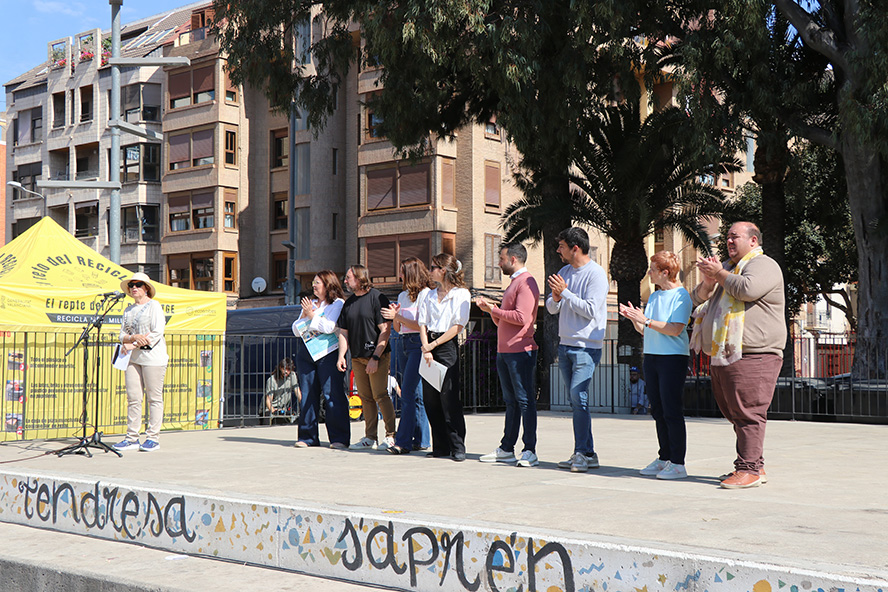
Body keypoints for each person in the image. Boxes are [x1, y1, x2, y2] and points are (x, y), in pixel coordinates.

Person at [691, 222, 786, 489]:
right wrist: (709, 281)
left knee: (748, 412)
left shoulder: (763, 265)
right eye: (728, 237)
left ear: (753, 240)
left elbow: (747, 290)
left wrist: (720, 273)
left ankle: (748, 470)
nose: (729, 241)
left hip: (755, 353)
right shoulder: (727, 269)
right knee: (735, 412)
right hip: (725, 353)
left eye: (735, 237)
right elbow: (697, 300)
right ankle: (755, 464)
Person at [620, 251, 693, 480]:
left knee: (672, 410)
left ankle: (678, 463)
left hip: (672, 358)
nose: (649, 273)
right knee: (658, 410)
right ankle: (664, 457)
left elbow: (675, 329)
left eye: (652, 270)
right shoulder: (654, 296)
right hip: (651, 356)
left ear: (665, 272)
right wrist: (635, 319)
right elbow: (646, 329)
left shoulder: (681, 296)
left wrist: (646, 320)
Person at [546, 227, 609, 473]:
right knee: (576, 401)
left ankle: (581, 452)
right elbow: (552, 308)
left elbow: (591, 310)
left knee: (578, 397)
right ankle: (588, 453)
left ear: (575, 248)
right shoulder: (564, 272)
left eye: (561, 246)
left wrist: (565, 293)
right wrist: (556, 298)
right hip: (565, 345)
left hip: (587, 347)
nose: (557, 250)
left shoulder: (596, 274)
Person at [476, 242, 541, 468]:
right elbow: (505, 321)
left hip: (520, 351)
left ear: (513, 259)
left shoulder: (527, 282)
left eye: (502, 259)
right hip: (506, 351)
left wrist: (494, 310)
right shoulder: (515, 283)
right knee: (511, 401)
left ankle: (530, 450)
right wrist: (491, 311)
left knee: (525, 401)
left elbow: (522, 318)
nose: (499, 263)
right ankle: (506, 448)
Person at [418, 253, 471, 461]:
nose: (430, 271)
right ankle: (440, 446)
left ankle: (457, 446)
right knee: (430, 399)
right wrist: (426, 348)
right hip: (428, 346)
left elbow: (458, 325)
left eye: (433, 267)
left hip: (446, 346)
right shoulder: (428, 295)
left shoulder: (461, 294)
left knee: (449, 397)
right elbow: (422, 323)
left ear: (443, 270)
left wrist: (433, 345)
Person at [337, 265, 394, 450]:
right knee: (365, 397)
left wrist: (375, 357)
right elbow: (343, 332)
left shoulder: (377, 298)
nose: (345, 281)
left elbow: (385, 331)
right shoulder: (349, 303)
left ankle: (391, 436)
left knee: (380, 395)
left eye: (348, 277)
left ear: (360, 278)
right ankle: (370, 438)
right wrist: (341, 356)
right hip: (357, 357)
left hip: (377, 356)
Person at [381, 257, 434, 455]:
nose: (400, 275)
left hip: (418, 344)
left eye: (402, 271)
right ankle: (422, 439)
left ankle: (403, 441)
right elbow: (398, 327)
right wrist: (395, 317)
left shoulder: (426, 294)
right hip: (403, 342)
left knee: (408, 392)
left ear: (411, 273)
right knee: (416, 393)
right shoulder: (402, 296)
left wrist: (398, 317)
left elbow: (422, 325)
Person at [293, 270, 350, 449]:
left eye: (317, 282)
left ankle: (339, 438)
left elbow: (330, 327)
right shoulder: (310, 304)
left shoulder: (337, 304)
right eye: (313, 282)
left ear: (328, 284)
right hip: (307, 353)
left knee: (332, 394)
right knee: (308, 394)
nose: (314, 286)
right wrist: (305, 314)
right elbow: (296, 329)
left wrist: (311, 316)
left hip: (328, 353)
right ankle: (307, 437)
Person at [113, 273, 169, 453]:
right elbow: (122, 334)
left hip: (153, 357)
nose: (134, 288)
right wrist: (132, 338)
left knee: (154, 398)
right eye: (131, 285)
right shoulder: (128, 310)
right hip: (132, 358)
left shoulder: (154, 306)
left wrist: (133, 344)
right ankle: (132, 438)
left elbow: (157, 332)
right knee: (133, 398)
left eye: (138, 284)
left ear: (146, 288)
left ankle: (153, 437)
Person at [264, 357, 301, 425]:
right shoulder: (272, 380)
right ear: (280, 368)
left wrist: (303, 404)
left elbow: (297, 392)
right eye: (284, 369)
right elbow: (268, 400)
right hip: (272, 409)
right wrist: (273, 411)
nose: (286, 371)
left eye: (288, 369)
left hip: (284, 409)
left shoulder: (292, 376)